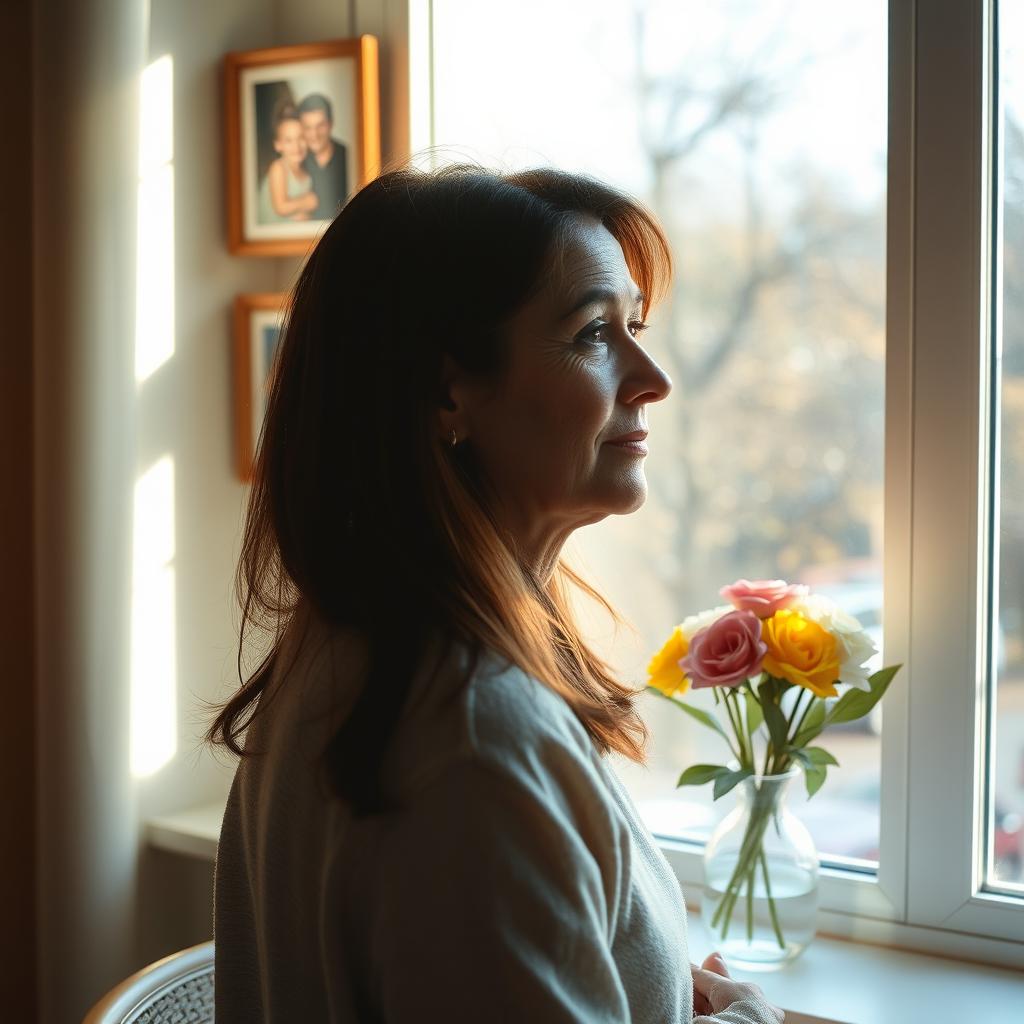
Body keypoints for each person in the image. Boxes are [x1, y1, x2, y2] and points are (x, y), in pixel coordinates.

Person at [208, 163, 785, 1024]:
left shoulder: (346, 649)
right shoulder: (478, 740)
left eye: (636, 324)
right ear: (450, 390)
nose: (652, 376)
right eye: (595, 334)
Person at [257, 103, 319, 223]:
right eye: (288, 141)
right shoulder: (278, 168)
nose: (296, 146)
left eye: (301, 138)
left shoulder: (307, 173)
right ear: (278, 145)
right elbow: (281, 207)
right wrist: (307, 202)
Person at [298, 92, 349, 219]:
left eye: (320, 126)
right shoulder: (296, 159)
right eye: (307, 127)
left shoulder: (348, 156)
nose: (314, 135)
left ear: (330, 124)